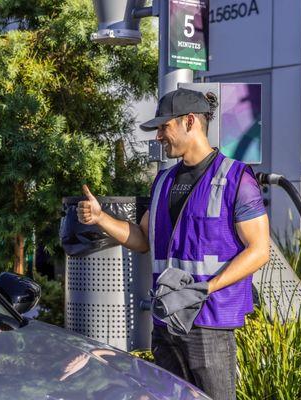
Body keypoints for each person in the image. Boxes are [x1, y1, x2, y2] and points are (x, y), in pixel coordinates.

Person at [77, 88, 270, 400]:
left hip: (209, 323)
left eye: (163, 127)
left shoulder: (236, 179)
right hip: (166, 320)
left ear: (189, 121)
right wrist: (101, 218)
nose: (158, 137)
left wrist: (207, 287)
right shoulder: (164, 180)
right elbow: (142, 241)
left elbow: (260, 250)